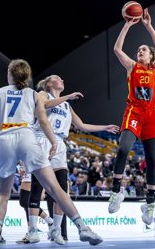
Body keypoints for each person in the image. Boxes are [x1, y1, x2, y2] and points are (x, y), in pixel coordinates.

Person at [0, 59, 103, 248]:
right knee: (55, 188)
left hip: (4, 140)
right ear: (27, 77)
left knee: (3, 194)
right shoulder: (34, 94)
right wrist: (53, 142)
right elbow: (43, 122)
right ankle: (82, 227)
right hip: (27, 138)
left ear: (10, 74)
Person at [28, 75, 119, 244]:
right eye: (58, 78)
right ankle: (32, 230)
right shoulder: (42, 94)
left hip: (60, 144)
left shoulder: (67, 106)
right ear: (49, 83)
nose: (62, 79)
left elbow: (82, 125)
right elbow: (45, 106)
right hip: (42, 139)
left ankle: (55, 230)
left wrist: (105, 127)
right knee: (37, 186)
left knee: (63, 189)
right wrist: (68, 96)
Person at [107, 8, 155, 225]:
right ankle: (116, 191)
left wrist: (148, 25)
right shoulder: (132, 67)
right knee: (123, 148)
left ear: (150, 55)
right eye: (138, 49)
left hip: (153, 115)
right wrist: (128, 24)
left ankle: (149, 204)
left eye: (143, 50)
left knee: (152, 160)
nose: (139, 51)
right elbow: (116, 49)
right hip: (134, 111)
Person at [15, 163, 54, 244]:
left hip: (31, 169)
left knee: (25, 202)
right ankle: (31, 231)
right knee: (25, 204)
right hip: (26, 169)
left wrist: (26, 166)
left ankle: (48, 222)